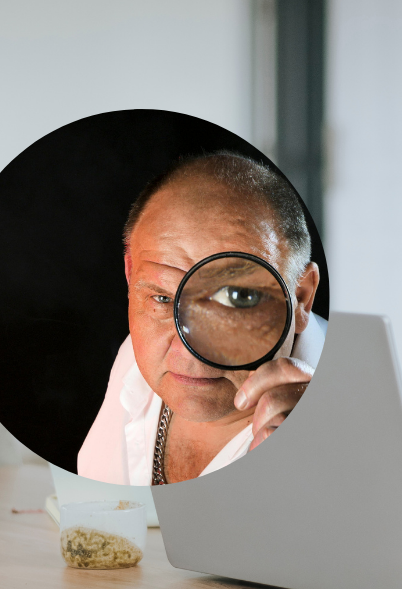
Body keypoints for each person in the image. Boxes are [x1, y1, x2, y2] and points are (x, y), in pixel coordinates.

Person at [78, 151, 325, 485]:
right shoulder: (134, 361)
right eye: (163, 298)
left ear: (301, 299)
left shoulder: (347, 425)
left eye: (238, 298)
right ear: (130, 276)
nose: (189, 350)